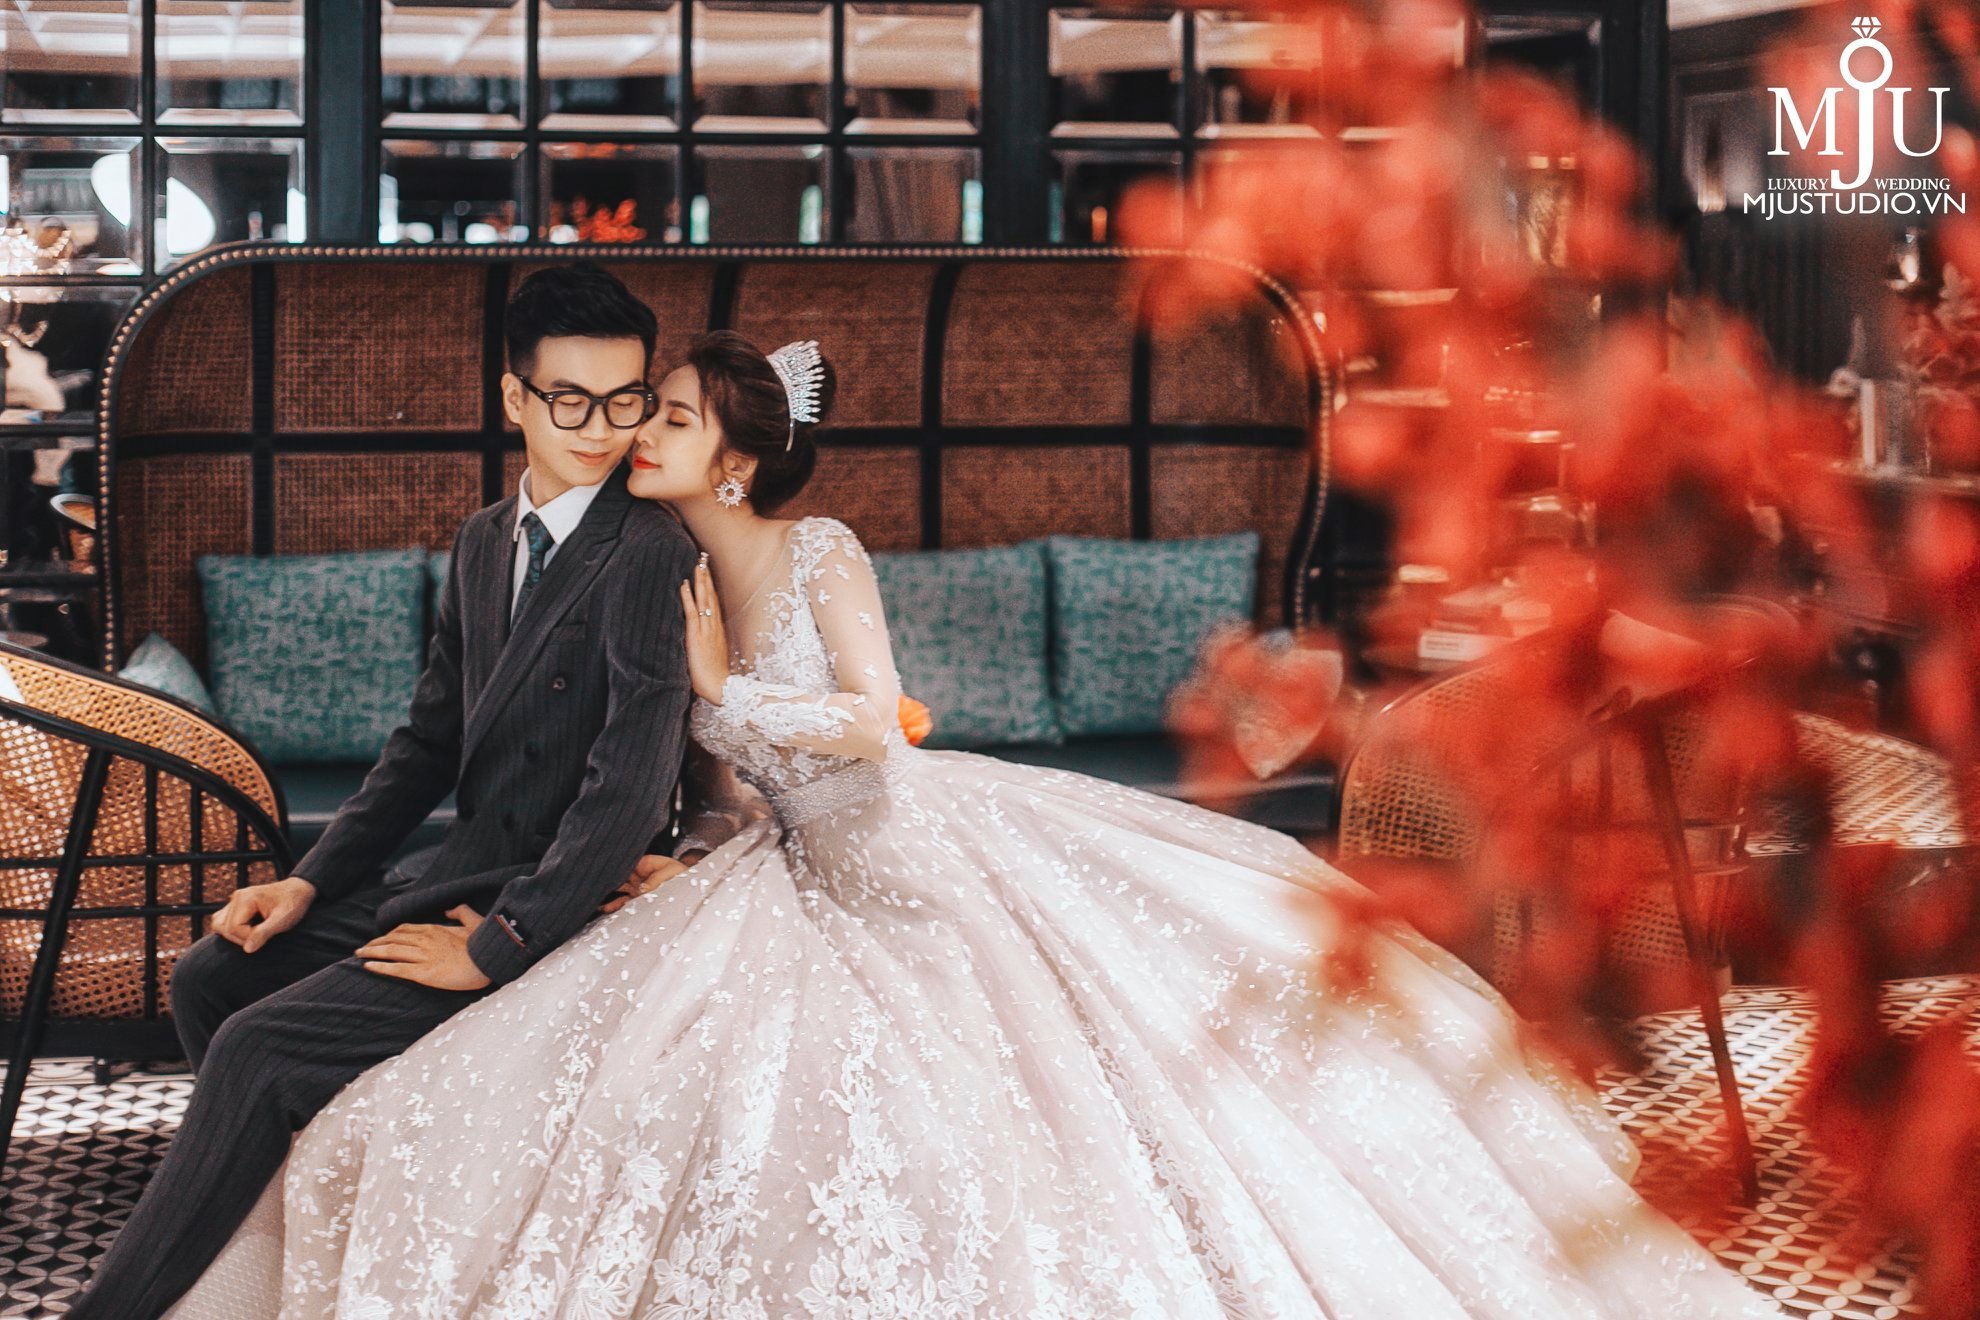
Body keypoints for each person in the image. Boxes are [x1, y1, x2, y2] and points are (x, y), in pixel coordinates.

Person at [162, 332, 1784, 1318]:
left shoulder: (820, 554)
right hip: (772, 866)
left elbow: (879, 718)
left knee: (1060, 1092)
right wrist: (666, 824)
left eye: (667, 418)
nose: (638, 435)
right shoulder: (657, 571)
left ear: (734, 450)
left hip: (904, 853)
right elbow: (653, 763)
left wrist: (730, 697)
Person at [69, 264, 703, 1320]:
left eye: (625, 399)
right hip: (456, 873)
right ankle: (300, 1226)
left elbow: (627, 793)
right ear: (515, 399)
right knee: (213, 976)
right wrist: (310, 883)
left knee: (261, 1049)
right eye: (571, 401)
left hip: (557, 908)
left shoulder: (647, 552)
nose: (602, 430)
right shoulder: (485, 540)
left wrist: (495, 946)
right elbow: (426, 743)